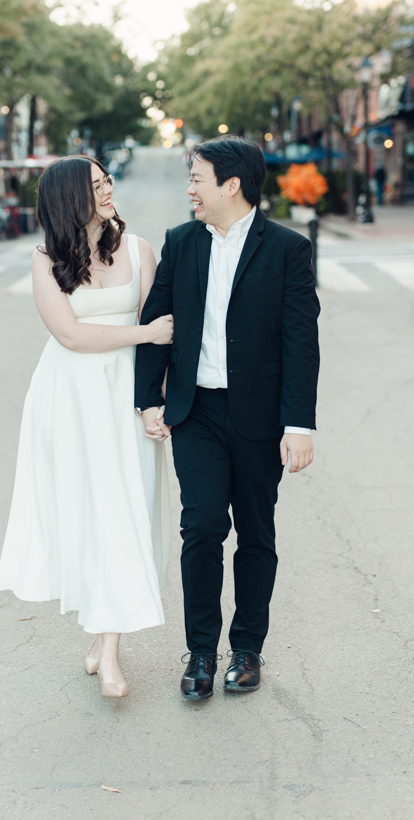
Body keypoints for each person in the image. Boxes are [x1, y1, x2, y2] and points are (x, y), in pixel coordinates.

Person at [135, 137, 320, 701]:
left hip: (260, 418)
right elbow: (155, 323)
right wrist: (149, 399)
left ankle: (247, 650)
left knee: (257, 533)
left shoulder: (287, 248)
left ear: (230, 184)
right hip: (198, 413)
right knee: (202, 529)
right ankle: (199, 653)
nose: (189, 189)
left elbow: (300, 340)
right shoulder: (182, 242)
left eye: (197, 178)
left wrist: (300, 424)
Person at [0, 156, 173, 698]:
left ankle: (107, 643)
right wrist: (144, 336)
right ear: (70, 197)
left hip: (126, 398)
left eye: (107, 180)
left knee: (126, 509)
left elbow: (160, 327)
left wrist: (152, 400)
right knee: (93, 512)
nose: (107, 189)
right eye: (95, 185)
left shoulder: (139, 249)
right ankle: (109, 649)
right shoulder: (46, 258)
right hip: (70, 398)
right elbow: (70, 336)